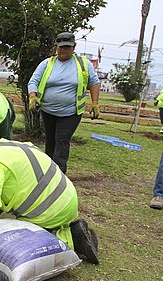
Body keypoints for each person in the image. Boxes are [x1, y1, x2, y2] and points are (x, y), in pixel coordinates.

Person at [0, 128, 99, 264]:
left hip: (48, 211)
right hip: (68, 199)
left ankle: (71, 240)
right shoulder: (18, 145)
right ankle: (69, 230)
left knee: (14, 243)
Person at [28, 32, 101, 174]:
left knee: (62, 141)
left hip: (70, 113)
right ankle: (46, 173)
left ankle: (59, 175)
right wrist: (32, 96)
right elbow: (34, 81)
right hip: (48, 111)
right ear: (56, 47)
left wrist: (95, 103)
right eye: (61, 47)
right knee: (50, 141)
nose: (63, 50)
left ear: (74, 47)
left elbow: (94, 82)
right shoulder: (47, 63)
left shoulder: (83, 64)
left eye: (67, 47)